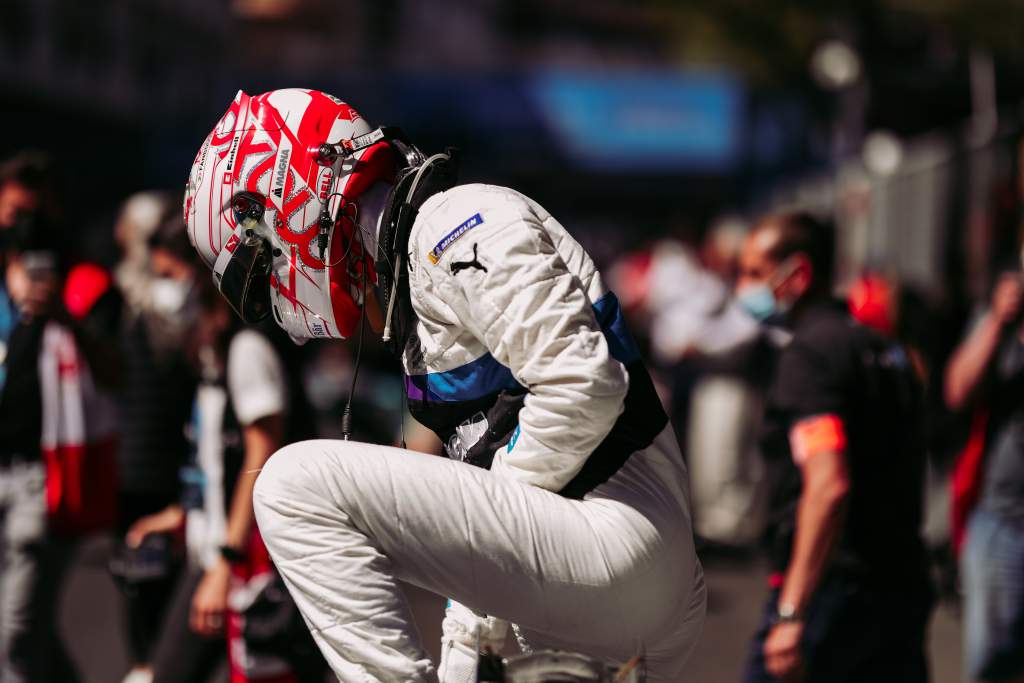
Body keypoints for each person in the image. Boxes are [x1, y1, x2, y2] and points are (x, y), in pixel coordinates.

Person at [182, 89, 706, 682]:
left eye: (260, 268)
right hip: (596, 577)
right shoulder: (417, 268)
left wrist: (475, 605)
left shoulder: (454, 223)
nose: (272, 297)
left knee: (288, 484)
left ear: (286, 201)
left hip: (618, 539)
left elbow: (582, 382)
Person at [735, 212, 932, 682]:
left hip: (834, 590)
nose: (742, 288)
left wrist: (790, 613)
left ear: (798, 275)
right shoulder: (883, 350)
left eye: (754, 274)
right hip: (900, 584)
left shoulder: (810, 355)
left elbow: (829, 485)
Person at [0, 151, 83, 683]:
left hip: (41, 469)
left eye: (35, 216)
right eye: (13, 216)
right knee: (30, 635)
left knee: (15, 633)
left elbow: (113, 368)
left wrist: (60, 312)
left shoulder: (75, 274)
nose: (24, 228)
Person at [945, 269, 1024, 682]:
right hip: (1003, 522)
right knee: (991, 667)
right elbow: (957, 390)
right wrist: (998, 320)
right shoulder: (998, 320)